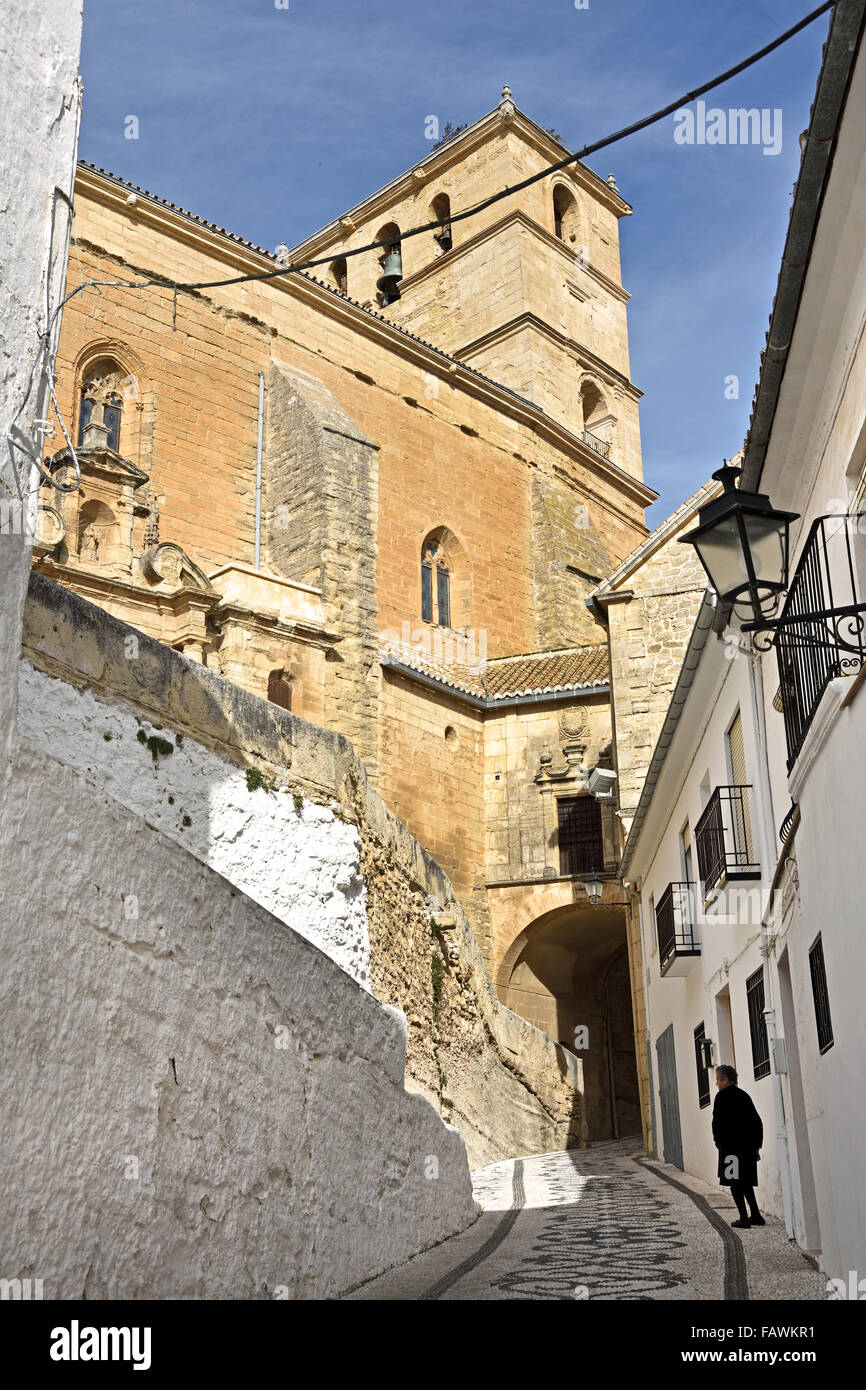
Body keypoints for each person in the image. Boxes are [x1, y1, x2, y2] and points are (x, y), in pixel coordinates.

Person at [712, 1064, 765, 1228]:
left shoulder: (721, 1098)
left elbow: (717, 1124)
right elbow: (757, 1122)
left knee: (735, 1184)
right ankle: (755, 1215)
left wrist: (719, 1144)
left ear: (725, 1080)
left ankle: (743, 1218)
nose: (716, 1084)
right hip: (747, 1149)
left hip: (730, 1150)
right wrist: (756, 1147)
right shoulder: (744, 1096)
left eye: (718, 1081)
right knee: (746, 1182)